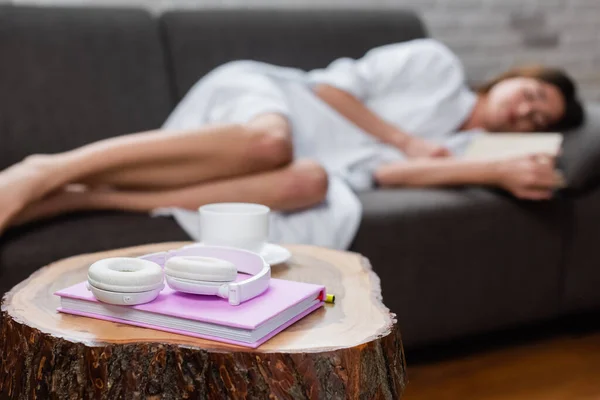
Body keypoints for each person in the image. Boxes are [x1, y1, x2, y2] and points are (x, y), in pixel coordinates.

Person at [0, 38, 585, 242]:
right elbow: (330, 87)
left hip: (310, 160)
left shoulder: (466, 153)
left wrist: (493, 171)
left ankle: (80, 197)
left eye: (539, 119)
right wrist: (403, 137)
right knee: (272, 147)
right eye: (533, 95)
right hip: (276, 104)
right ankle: (46, 169)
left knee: (309, 182)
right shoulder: (433, 65)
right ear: (515, 75)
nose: (527, 111)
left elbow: (381, 177)